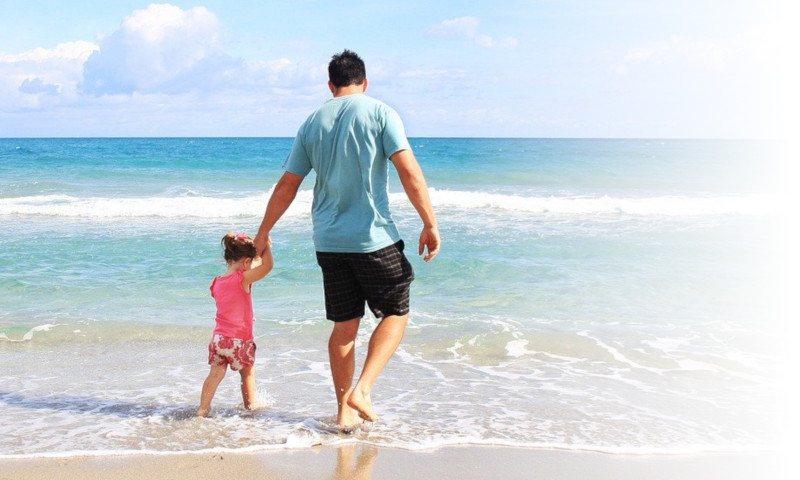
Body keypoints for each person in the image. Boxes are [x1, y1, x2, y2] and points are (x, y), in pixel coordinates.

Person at [253, 49, 440, 429]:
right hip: (371, 238)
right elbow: (408, 171)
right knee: (396, 311)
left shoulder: (311, 122)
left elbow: (289, 183)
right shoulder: (380, 112)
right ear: (364, 82)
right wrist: (429, 222)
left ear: (330, 85)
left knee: (344, 326)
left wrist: (264, 230)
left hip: (329, 241)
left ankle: (343, 413)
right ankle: (363, 390)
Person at [196, 232, 274, 417]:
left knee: (215, 374)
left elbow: (230, 304)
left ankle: (202, 409)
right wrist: (267, 247)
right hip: (239, 340)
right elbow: (267, 266)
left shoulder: (216, 283)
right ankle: (250, 407)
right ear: (246, 262)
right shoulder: (242, 279)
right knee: (247, 374)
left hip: (219, 340)